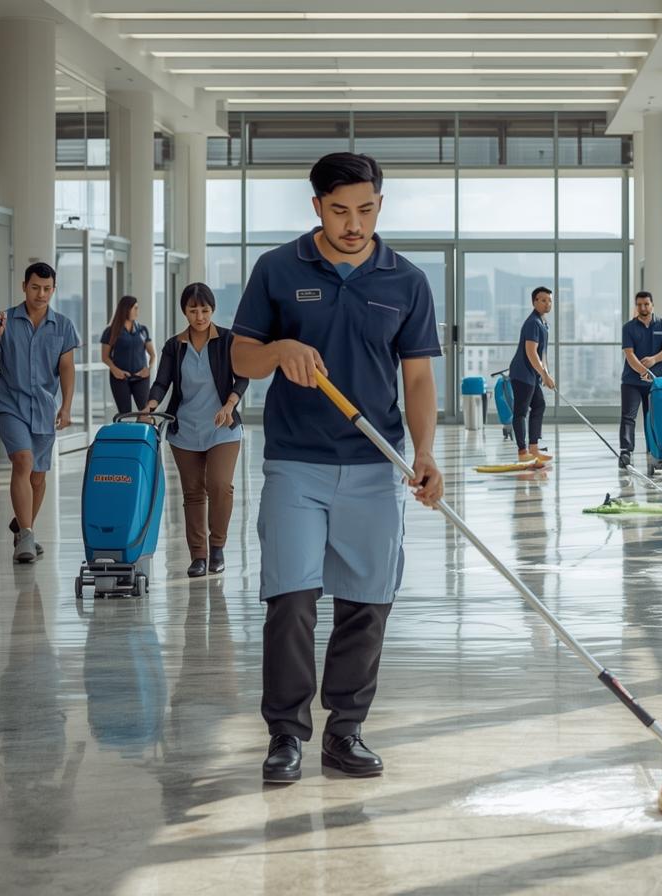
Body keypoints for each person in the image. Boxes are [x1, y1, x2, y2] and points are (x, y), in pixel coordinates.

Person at [231, 151, 443, 784]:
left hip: (376, 466)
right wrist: (280, 349)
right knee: (290, 599)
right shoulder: (276, 268)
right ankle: (286, 736)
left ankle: (345, 731)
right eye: (341, 210)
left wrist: (425, 453)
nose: (355, 224)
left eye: (367, 209)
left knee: (366, 603)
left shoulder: (405, 280)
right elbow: (241, 357)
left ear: (381, 203)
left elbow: (419, 375)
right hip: (296, 465)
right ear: (317, 206)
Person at [143, 283, 248, 579]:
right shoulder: (174, 345)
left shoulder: (228, 339)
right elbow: (162, 382)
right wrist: (150, 406)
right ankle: (198, 557)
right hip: (185, 428)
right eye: (193, 310)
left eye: (204, 309)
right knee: (193, 493)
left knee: (219, 485)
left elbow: (242, 377)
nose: (199, 315)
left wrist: (229, 405)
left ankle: (217, 548)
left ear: (212, 310)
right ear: (184, 312)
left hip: (222, 427)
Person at [0, 261, 78, 564]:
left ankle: (23, 528)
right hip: (9, 402)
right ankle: (28, 537)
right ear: (24, 286)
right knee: (23, 460)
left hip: (44, 407)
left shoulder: (63, 325)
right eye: (35, 287)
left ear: (54, 289)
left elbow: (67, 367)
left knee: (37, 476)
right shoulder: (5, 320)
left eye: (47, 289)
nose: (41, 294)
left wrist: (67, 406)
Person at [618, 290, 662, 469]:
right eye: (639, 304)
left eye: (646, 304)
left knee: (654, 417)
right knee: (629, 417)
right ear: (636, 306)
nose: (643, 307)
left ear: (652, 305)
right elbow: (629, 354)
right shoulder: (628, 328)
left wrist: (653, 360)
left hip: (656, 383)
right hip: (631, 382)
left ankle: (656, 449)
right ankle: (626, 452)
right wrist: (643, 370)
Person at [507, 286, 556, 464]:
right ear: (534, 302)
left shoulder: (544, 323)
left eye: (549, 300)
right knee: (520, 412)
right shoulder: (532, 323)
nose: (547, 303)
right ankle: (522, 451)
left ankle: (534, 448)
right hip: (522, 374)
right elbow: (531, 352)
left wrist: (547, 374)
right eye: (543, 300)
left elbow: (543, 354)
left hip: (532, 375)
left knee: (539, 405)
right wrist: (543, 375)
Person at [99, 294, 155, 414]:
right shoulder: (111, 331)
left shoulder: (142, 330)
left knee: (145, 412)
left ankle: (145, 433)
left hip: (141, 377)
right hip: (120, 378)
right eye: (134, 308)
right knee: (125, 413)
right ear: (126, 309)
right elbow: (105, 357)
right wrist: (115, 370)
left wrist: (148, 369)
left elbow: (153, 355)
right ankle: (125, 433)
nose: (137, 311)